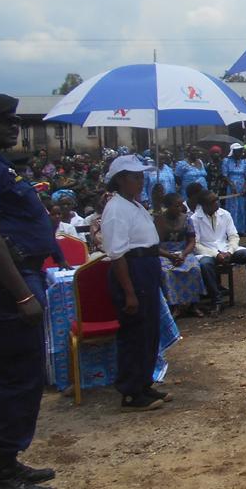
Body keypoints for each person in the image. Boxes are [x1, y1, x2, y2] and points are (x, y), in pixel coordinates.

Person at [0, 93, 58, 489]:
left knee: (5, 372)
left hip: (14, 278)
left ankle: (5, 460)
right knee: (20, 374)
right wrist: (22, 295)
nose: (13, 127)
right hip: (6, 285)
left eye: (15, 120)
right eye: (3, 120)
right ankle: (2, 475)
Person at [100, 154, 171, 412]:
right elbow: (117, 254)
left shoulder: (136, 205)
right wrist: (129, 292)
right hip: (133, 269)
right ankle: (130, 391)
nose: (140, 181)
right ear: (120, 179)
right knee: (135, 332)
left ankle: (144, 382)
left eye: (142, 177)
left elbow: (156, 237)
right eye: (135, 177)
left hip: (148, 266)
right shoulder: (116, 209)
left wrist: (158, 205)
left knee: (149, 330)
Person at [192, 191, 246, 310]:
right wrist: (216, 254)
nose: (217, 203)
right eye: (213, 202)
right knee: (205, 265)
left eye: (216, 200)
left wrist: (230, 251)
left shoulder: (225, 214)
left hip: (226, 248)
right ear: (204, 205)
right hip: (207, 252)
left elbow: (233, 236)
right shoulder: (194, 219)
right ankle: (216, 300)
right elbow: (196, 244)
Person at [155, 193, 205, 318]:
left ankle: (194, 304)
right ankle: (174, 306)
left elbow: (192, 241)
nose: (181, 208)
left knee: (194, 268)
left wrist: (183, 254)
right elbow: (155, 245)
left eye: (181, 204)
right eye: (176, 206)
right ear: (168, 207)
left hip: (183, 251)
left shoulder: (187, 219)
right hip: (164, 253)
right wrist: (170, 256)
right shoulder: (159, 221)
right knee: (166, 272)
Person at [222, 145, 246, 234]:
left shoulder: (245, 162)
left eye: (240, 151)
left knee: (242, 207)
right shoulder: (227, 161)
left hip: (241, 185)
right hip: (231, 186)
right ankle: (232, 230)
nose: (239, 153)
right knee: (232, 206)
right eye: (237, 151)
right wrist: (231, 185)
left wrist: (245, 187)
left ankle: (242, 229)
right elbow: (225, 175)